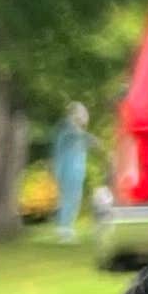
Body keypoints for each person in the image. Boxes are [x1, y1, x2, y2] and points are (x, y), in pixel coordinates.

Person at [49, 102, 92, 238]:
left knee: (73, 198)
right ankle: (64, 228)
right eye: (81, 113)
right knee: (68, 198)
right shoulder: (67, 128)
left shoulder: (76, 131)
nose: (84, 117)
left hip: (76, 171)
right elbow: (72, 139)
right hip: (67, 170)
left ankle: (65, 226)